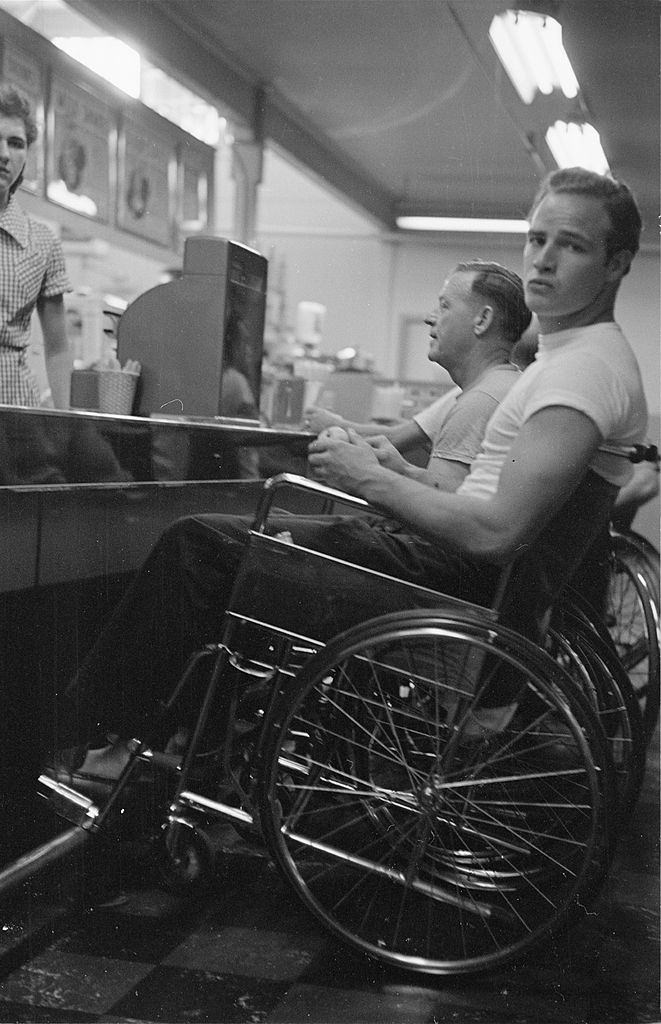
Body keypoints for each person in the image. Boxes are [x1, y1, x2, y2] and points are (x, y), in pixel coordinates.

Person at [48, 167, 647, 786]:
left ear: (616, 263)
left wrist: (371, 477)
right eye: (537, 238)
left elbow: (496, 531)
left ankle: (96, 744)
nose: (543, 260)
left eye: (570, 245)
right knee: (236, 542)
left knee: (198, 546)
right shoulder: (568, 360)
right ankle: (177, 745)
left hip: (447, 583)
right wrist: (380, 468)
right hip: (456, 579)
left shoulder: (582, 375)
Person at [305, 261, 529, 490]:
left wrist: (373, 471)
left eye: (444, 306)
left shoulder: (479, 401)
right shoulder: (502, 386)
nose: (430, 318)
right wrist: (397, 469)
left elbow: (441, 511)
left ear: (482, 320)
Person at [0, 85, 72, 408]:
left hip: (17, 420)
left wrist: (69, 426)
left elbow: (58, 349)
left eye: (16, 143)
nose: (4, 154)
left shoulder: (41, 242)